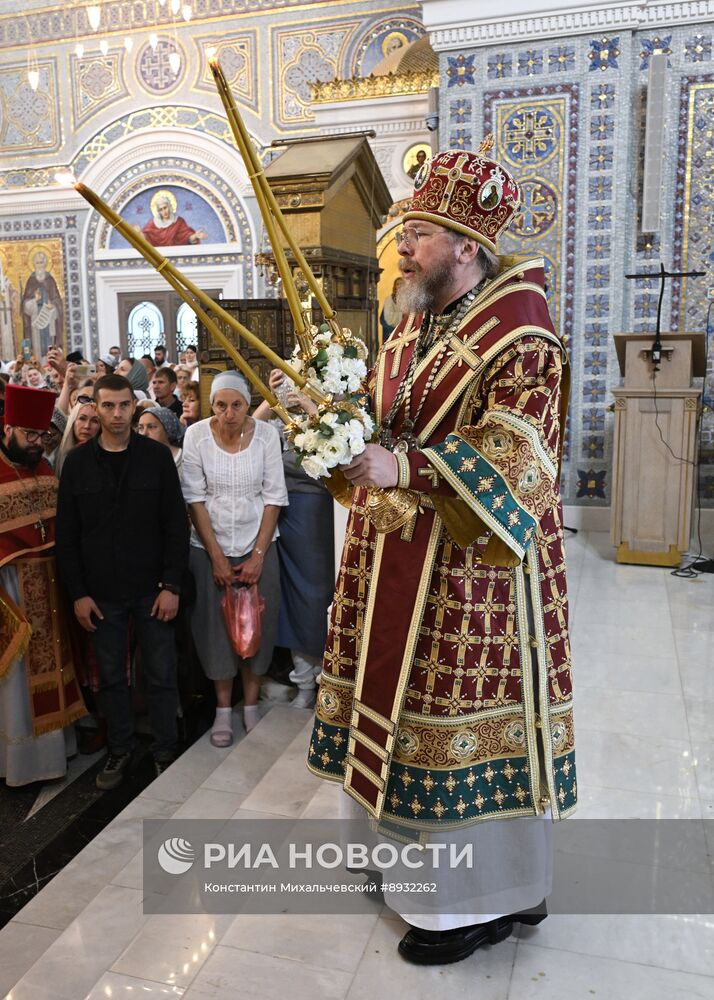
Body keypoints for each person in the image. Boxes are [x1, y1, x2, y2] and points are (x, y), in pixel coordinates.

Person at [306, 146, 574, 964]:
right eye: (404, 231)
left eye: (418, 232)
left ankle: (474, 905)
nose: (402, 246)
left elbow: (524, 454)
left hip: (476, 571)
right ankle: (436, 880)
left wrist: (410, 465)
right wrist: (330, 419)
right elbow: (386, 419)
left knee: (451, 728)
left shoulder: (520, 329)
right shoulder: (415, 318)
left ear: (465, 244)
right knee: (395, 711)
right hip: (395, 552)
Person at [55, 373, 190, 788]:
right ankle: (120, 748)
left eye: (124, 405)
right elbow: (68, 536)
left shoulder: (155, 457)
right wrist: (78, 594)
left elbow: (174, 526)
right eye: (108, 406)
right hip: (101, 592)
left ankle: (166, 749)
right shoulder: (77, 463)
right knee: (111, 677)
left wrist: (172, 586)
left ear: (136, 407)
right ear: (94, 408)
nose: (116, 414)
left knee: (161, 673)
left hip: (152, 588)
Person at [181, 371, 288, 743]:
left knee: (259, 621)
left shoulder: (266, 436)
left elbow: (274, 495)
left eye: (237, 405)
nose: (230, 413)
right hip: (209, 545)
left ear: (247, 404)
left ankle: (252, 704)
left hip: (258, 540)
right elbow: (194, 498)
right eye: (222, 405)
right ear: (213, 405)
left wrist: (258, 554)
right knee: (214, 626)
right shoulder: (196, 436)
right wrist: (216, 557)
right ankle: (223, 711)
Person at [0, 384, 86, 786]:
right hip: (11, 589)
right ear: (9, 428)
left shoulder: (46, 468)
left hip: (50, 585)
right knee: (16, 683)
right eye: (29, 436)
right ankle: (18, 764)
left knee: (53, 666)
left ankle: (54, 753)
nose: (37, 444)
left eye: (42, 437)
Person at [254, 372, 335, 709]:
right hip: (288, 517)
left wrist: (312, 404)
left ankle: (330, 680)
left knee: (324, 598)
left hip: (327, 515)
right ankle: (304, 683)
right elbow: (249, 428)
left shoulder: (337, 412)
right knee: (295, 600)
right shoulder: (279, 423)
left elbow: (343, 447)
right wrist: (270, 398)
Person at [22, 250, 63, 359]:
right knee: (37, 349)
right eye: (37, 263)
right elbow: (25, 306)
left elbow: (57, 301)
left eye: (41, 262)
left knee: (50, 345)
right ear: (34, 264)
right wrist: (34, 301)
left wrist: (53, 306)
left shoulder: (50, 280)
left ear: (45, 264)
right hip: (36, 321)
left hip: (49, 320)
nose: (39, 265)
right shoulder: (31, 281)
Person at [141, 191, 207, 248]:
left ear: (169, 207)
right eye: (161, 210)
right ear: (158, 212)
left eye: (165, 208)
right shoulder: (153, 223)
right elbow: (145, 237)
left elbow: (186, 237)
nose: (164, 211)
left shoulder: (179, 222)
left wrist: (195, 236)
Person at [54, 399, 100, 475]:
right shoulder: (56, 453)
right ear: (73, 422)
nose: (87, 426)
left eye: (94, 421)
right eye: (82, 418)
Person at [137, 405, 184, 475]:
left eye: (151, 427)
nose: (144, 433)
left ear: (168, 429)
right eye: (141, 428)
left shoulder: (185, 459)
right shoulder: (136, 459)